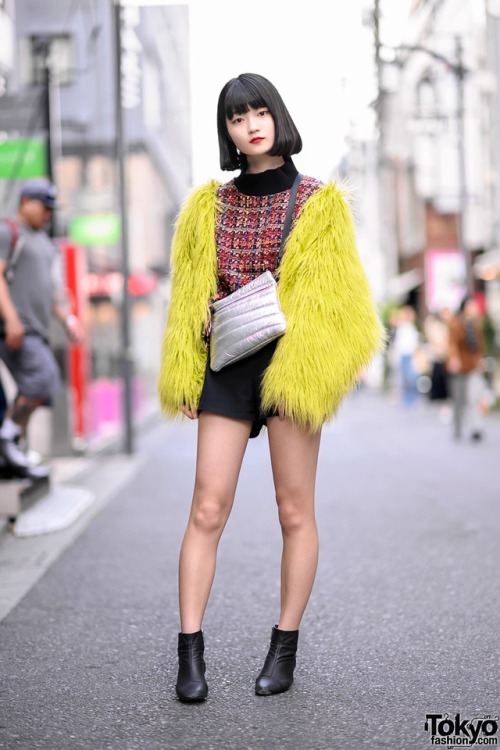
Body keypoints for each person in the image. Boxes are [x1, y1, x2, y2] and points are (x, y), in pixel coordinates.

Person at [158, 73, 384, 702]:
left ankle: (283, 645)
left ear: (277, 116)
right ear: (227, 131)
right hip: (227, 364)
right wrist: (185, 365)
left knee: (293, 511)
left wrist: (323, 366)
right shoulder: (209, 205)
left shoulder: (321, 202)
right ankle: (190, 652)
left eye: (259, 112)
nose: (250, 125)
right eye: (237, 118)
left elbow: (348, 303)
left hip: (292, 366)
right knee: (208, 507)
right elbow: (187, 297)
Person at [0, 179, 84, 478]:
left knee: (36, 385)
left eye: (52, 209)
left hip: (37, 329)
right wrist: (11, 319)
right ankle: (8, 438)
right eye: (44, 207)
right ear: (26, 203)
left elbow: (52, 294)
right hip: (16, 328)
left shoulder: (47, 245)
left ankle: (11, 452)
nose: (49, 214)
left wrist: (68, 321)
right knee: (43, 378)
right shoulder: (8, 232)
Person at [447, 296, 486, 441]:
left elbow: (480, 346)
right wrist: (453, 359)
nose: (474, 308)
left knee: (473, 397)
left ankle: (476, 427)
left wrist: (480, 360)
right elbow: (452, 344)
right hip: (459, 366)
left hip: (473, 366)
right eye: (471, 306)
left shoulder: (476, 325)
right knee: (458, 399)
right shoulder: (456, 323)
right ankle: (458, 427)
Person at [391, 305, 420, 407]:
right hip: (404, 355)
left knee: (410, 378)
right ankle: (406, 399)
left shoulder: (410, 328)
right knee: (405, 378)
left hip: (409, 355)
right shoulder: (402, 327)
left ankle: (411, 399)